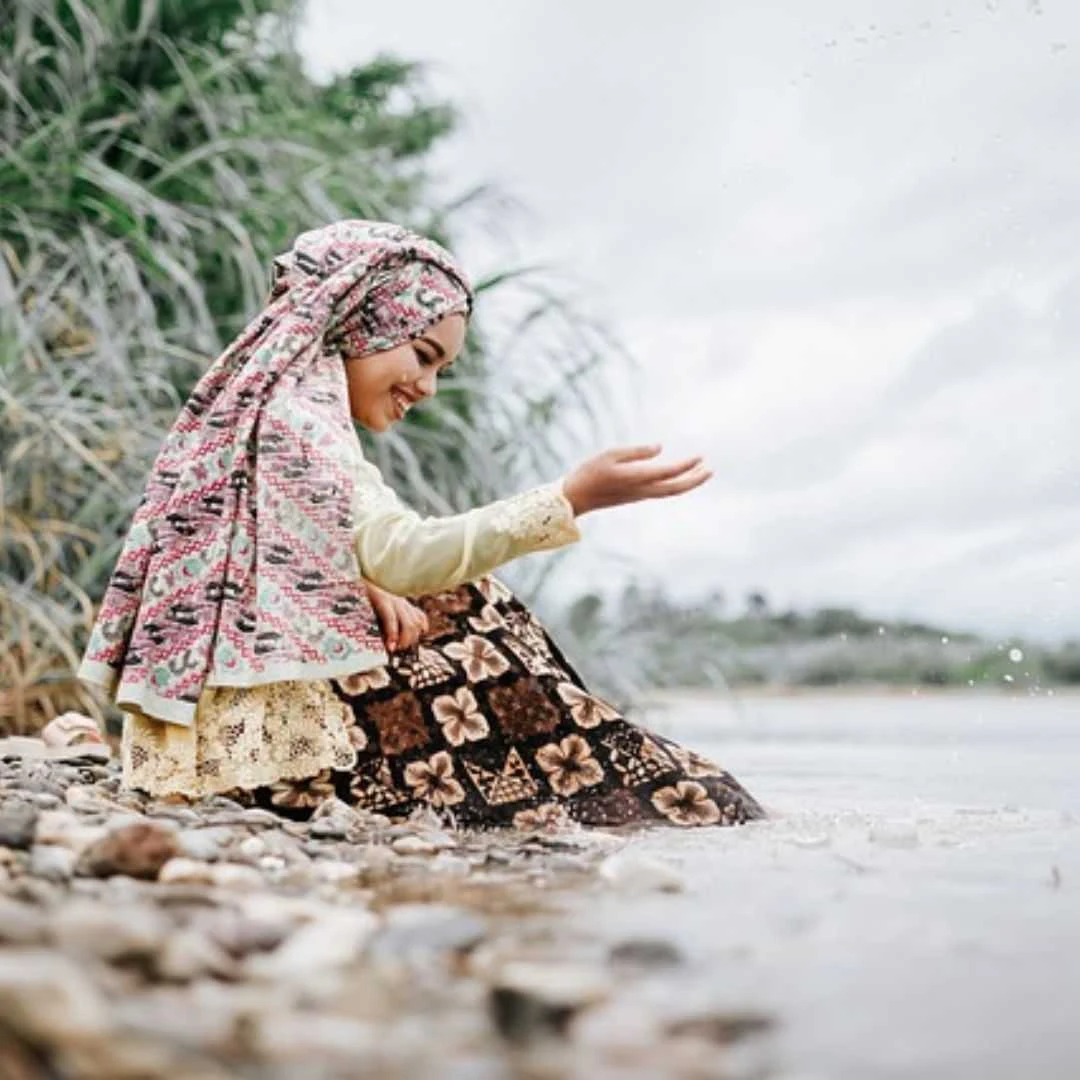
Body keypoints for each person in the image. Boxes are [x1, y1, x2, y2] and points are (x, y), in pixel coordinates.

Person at [79, 220, 764, 830]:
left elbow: (269, 569)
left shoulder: (255, 416)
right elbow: (407, 557)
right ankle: (620, 786)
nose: (428, 387)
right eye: (423, 355)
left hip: (213, 754)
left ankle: (616, 779)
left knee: (425, 598)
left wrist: (352, 585)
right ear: (361, 322)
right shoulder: (303, 430)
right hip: (271, 769)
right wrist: (569, 497)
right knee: (469, 602)